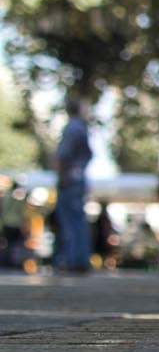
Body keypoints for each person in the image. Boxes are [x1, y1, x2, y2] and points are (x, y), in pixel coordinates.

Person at [52, 95, 92, 273]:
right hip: (79, 177)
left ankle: (72, 259)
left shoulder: (71, 128)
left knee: (68, 220)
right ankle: (80, 258)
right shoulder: (83, 128)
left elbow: (63, 155)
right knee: (78, 220)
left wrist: (61, 177)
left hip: (69, 179)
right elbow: (89, 155)